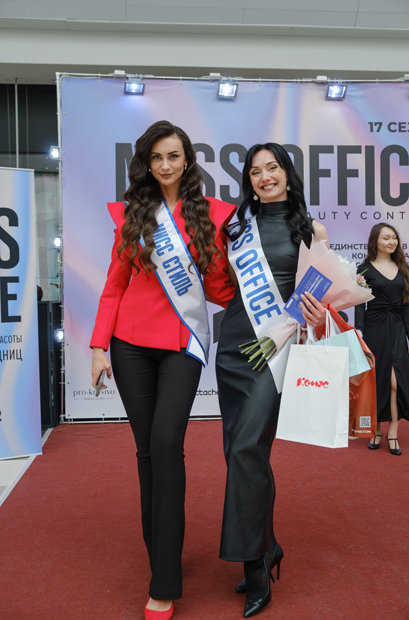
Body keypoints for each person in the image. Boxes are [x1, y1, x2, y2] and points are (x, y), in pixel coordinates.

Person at [90, 120, 235, 620]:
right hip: (129, 344)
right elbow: (114, 284)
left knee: (167, 444)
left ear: (187, 160)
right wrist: (98, 346)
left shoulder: (213, 214)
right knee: (147, 450)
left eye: (173, 155)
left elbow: (219, 287)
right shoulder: (134, 213)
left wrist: (268, 306)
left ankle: (164, 582)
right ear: (147, 164)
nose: (165, 164)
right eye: (156, 157)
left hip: (181, 346)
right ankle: (162, 554)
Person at [215, 143, 328, 618]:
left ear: (287, 173)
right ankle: (269, 544)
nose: (265, 177)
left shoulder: (311, 229)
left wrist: (314, 314)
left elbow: (318, 296)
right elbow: (224, 284)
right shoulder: (235, 227)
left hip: (274, 350)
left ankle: (256, 565)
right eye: (256, 171)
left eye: (273, 168)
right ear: (248, 180)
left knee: (246, 450)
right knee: (243, 455)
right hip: (233, 348)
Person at [355, 223, 409, 455]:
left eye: (394, 237)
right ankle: (376, 430)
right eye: (386, 237)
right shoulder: (364, 269)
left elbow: (406, 304)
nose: (392, 242)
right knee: (377, 382)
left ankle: (393, 432)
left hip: (397, 327)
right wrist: (359, 331)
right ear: (375, 240)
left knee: (397, 382)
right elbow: (359, 303)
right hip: (374, 327)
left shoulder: (403, 267)